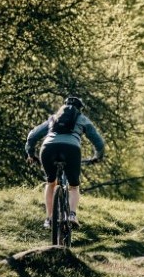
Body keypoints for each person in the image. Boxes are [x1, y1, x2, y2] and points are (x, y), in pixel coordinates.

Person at [25, 96, 105, 229]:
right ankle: (72, 215)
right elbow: (99, 142)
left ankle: (49, 218)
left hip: (48, 148)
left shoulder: (53, 118)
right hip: (71, 149)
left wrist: (30, 154)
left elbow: (32, 136)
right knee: (73, 186)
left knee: (51, 183)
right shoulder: (82, 119)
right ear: (80, 109)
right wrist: (98, 156)